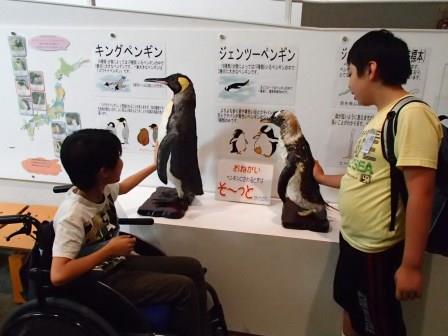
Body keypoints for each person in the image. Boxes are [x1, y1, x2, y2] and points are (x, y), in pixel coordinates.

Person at [313, 30, 443, 336]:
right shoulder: (381, 118)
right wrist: (321, 178)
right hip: (353, 241)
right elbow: (363, 176)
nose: (348, 84)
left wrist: (411, 266)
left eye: (350, 74)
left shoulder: (412, 116)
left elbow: (421, 193)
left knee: (379, 324)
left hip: (377, 251)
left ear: (370, 69)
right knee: (351, 306)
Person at [51, 128, 209, 336]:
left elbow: (124, 187)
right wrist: (107, 251)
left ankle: (202, 328)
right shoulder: (72, 215)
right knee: (184, 287)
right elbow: (58, 275)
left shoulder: (100, 189)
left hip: (116, 264)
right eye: (117, 157)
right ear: (103, 172)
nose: (121, 161)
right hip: (98, 282)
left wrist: (156, 165)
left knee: (192, 267)